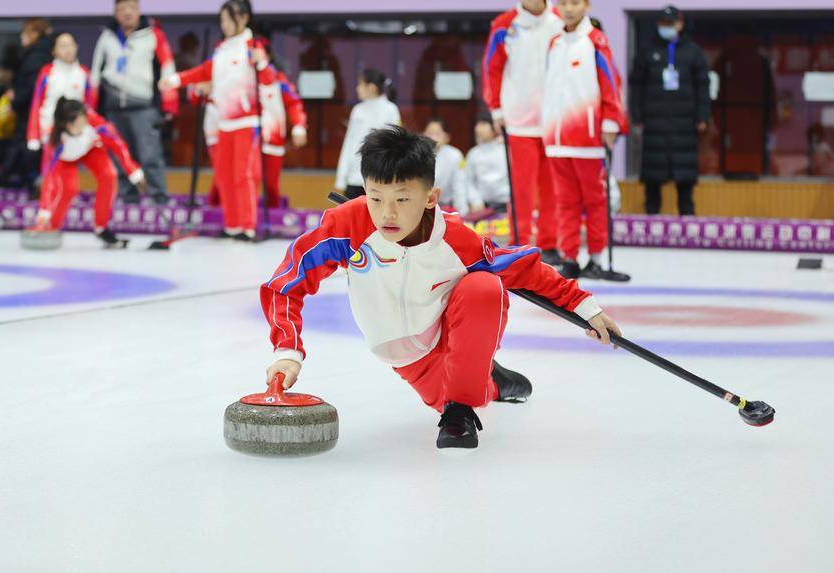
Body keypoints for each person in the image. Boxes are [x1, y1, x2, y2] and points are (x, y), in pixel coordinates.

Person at [260, 125, 622, 449]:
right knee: (456, 391)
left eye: (402, 199)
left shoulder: (454, 237)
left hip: (452, 322)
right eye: (375, 197)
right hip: (407, 352)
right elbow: (286, 282)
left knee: (484, 289)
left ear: (430, 197)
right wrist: (287, 350)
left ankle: (461, 411)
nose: (387, 214)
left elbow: (521, 267)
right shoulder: (347, 224)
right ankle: (491, 380)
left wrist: (586, 307)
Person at [159, 0, 276, 241]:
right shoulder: (222, 49)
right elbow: (204, 71)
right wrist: (176, 80)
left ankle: (247, 226)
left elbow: (268, 80)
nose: (224, 24)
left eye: (228, 19)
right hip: (224, 123)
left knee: (243, 175)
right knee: (224, 175)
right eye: (221, 20)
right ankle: (232, 225)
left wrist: (261, 62)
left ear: (243, 18)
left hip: (246, 122)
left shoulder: (252, 46)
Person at [542, 0, 627, 280]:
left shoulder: (596, 41)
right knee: (564, 202)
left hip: (588, 140)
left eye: (575, 2)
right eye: (563, 2)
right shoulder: (553, 43)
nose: (568, 8)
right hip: (556, 138)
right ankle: (570, 258)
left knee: (594, 201)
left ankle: (596, 258)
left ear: (587, 5)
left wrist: (611, 122)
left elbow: (611, 83)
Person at [482, 0, 562, 263]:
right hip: (519, 119)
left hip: (555, 117)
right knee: (522, 188)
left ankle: (550, 244)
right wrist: (495, 108)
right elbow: (491, 68)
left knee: (553, 187)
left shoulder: (561, 19)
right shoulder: (504, 24)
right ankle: (520, 241)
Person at [91, 0, 177, 205]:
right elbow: (95, 74)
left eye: (131, 7)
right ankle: (128, 197)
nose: (127, 12)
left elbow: (167, 69)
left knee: (150, 155)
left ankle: (159, 197)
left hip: (144, 106)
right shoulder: (107, 37)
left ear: (139, 10)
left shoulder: (153, 35)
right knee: (119, 156)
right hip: (113, 108)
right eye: (122, 9)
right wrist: (92, 109)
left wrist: (169, 104)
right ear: (115, 12)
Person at [629, 5, 710, 216]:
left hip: (684, 126)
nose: (667, 28)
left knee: (685, 184)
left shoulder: (693, 52)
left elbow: (703, 86)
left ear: (680, 24)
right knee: (652, 183)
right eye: (663, 24)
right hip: (654, 126)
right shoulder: (647, 52)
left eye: (671, 24)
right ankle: (651, 226)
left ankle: (688, 226)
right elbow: (635, 86)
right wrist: (637, 115)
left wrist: (703, 116)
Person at [29, 98, 144, 247]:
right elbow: (49, 180)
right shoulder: (54, 142)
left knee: (109, 176)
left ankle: (101, 228)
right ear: (67, 125)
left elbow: (118, 145)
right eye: (79, 122)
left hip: (91, 150)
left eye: (85, 118)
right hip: (66, 160)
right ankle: (51, 225)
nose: (85, 123)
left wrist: (133, 172)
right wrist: (44, 212)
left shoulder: (96, 124)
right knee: (69, 190)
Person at [26, 33, 96, 180]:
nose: (68, 50)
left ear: (77, 47)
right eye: (63, 46)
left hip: (76, 129)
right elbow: (36, 103)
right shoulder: (47, 73)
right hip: (51, 129)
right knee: (51, 173)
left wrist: (89, 128)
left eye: (71, 45)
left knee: (72, 174)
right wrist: (33, 135)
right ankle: (48, 201)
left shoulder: (84, 73)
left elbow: (89, 106)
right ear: (54, 51)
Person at [0, 19, 52, 191]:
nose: (22, 37)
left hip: (30, 114)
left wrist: (15, 100)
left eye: (26, 32)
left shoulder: (36, 57)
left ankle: (27, 185)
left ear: (35, 34)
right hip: (33, 113)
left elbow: (31, 89)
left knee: (25, 151)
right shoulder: (39, 54)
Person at [334, 68, 401, 199]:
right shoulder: (357, 110)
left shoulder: (391, 110)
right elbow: (349, 144)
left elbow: (395, 145)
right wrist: (341, 178)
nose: (357, 88)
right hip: (354, 178)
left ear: (371, 87)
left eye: (360, 84)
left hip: (379, 178)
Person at [259, 58, 307, 208]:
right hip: (246, 137)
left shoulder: (279, 80)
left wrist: (299, 126)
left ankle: (271, 217)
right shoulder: (241, 76)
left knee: (271, 184)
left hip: (272, 139)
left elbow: (294, 103)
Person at [423, 118, 469, 214]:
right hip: (423, 206)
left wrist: (461, 212)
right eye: (429, 133)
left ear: (447, 137)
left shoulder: (455, 155)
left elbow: (459, 185)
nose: (432, 137)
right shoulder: (417, 154)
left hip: (447, 206)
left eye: (437, 133)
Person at [465, 113, 509, 213]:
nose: (479, 128)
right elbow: (468, 180)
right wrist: (476, 200)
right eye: (478, 124)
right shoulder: (473, 153)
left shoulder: (506, 150)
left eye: (484, 123)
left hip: (505, 205)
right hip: (482, 207)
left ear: (495, 127)